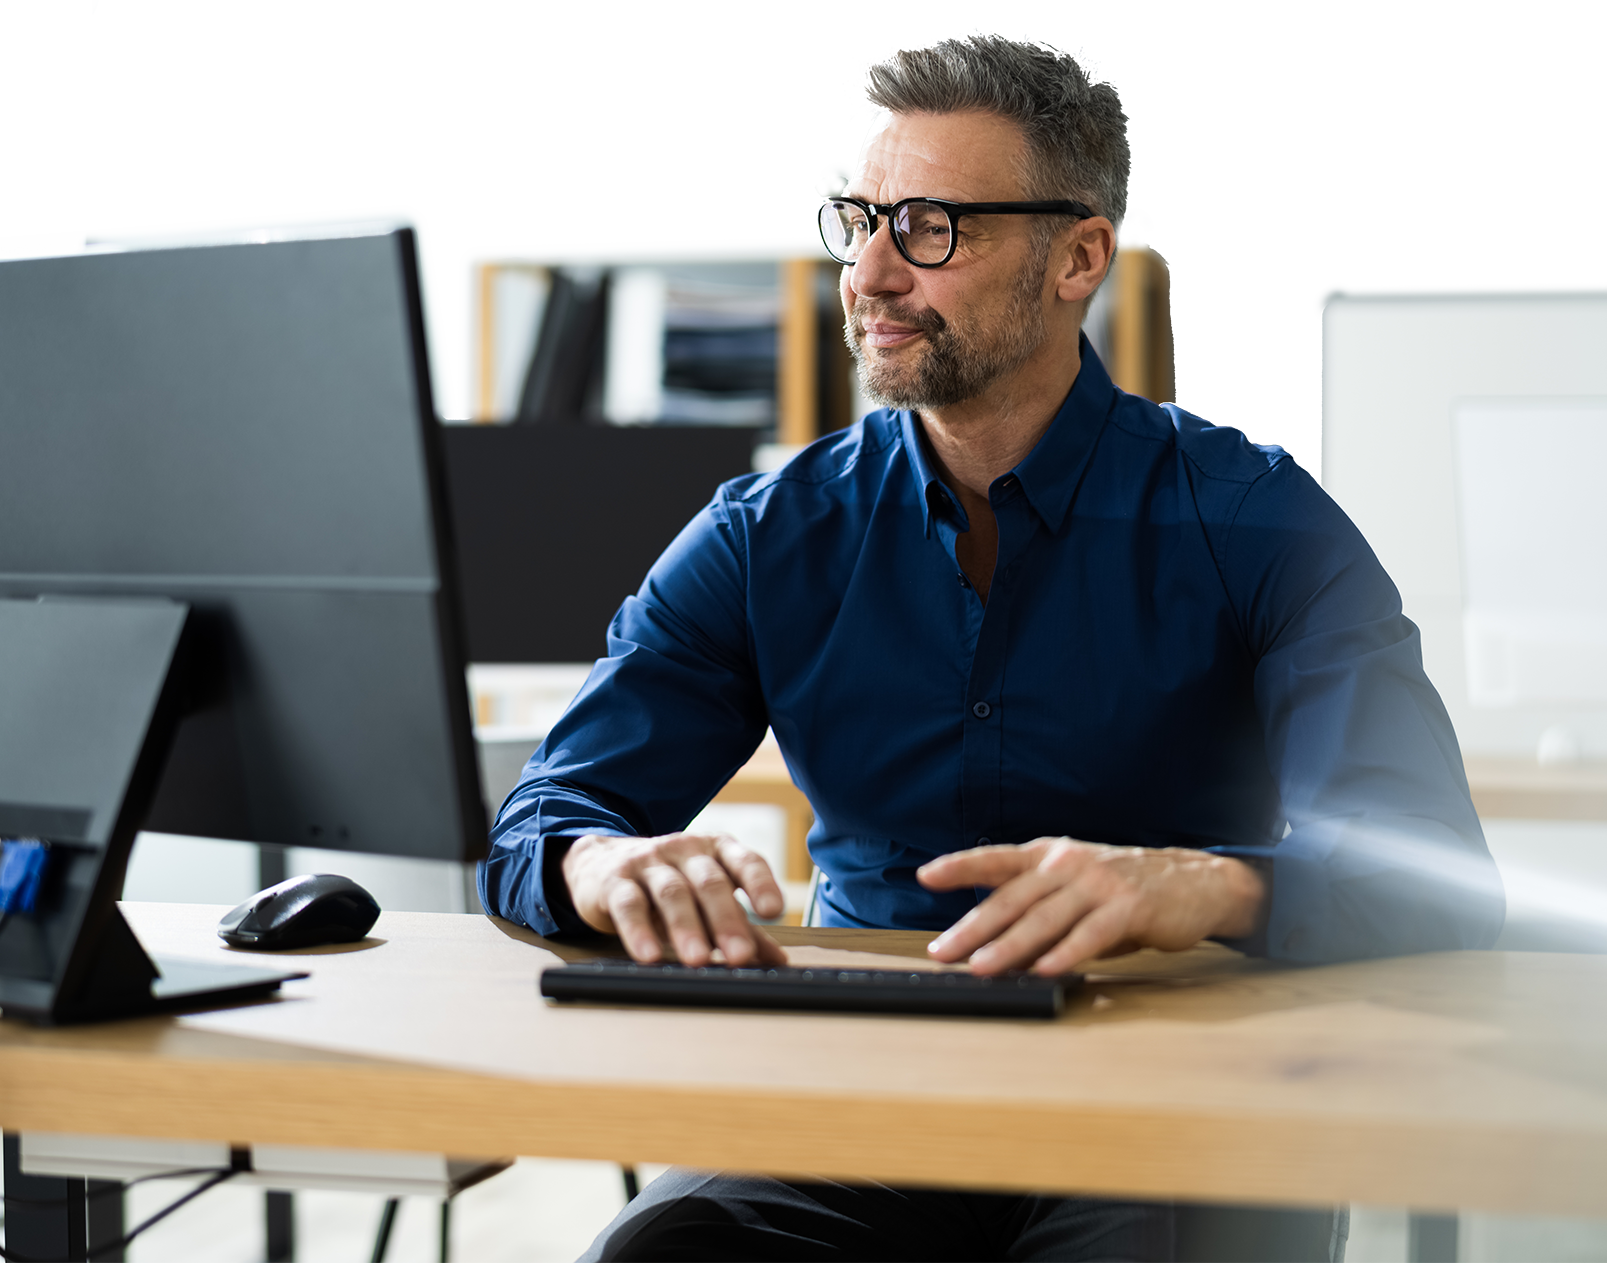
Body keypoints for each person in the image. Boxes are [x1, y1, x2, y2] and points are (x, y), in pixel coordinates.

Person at [480, 33, 1503, 1263]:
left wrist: (1195, 885)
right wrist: (598, 866)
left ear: (1079, 257)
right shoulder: (765, 536)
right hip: (863, 1091)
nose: (867, 272)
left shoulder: (1255, 519)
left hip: (1170, 1090)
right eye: (857, 218)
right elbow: (547, 820)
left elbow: (1435, 870)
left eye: (929, 228)